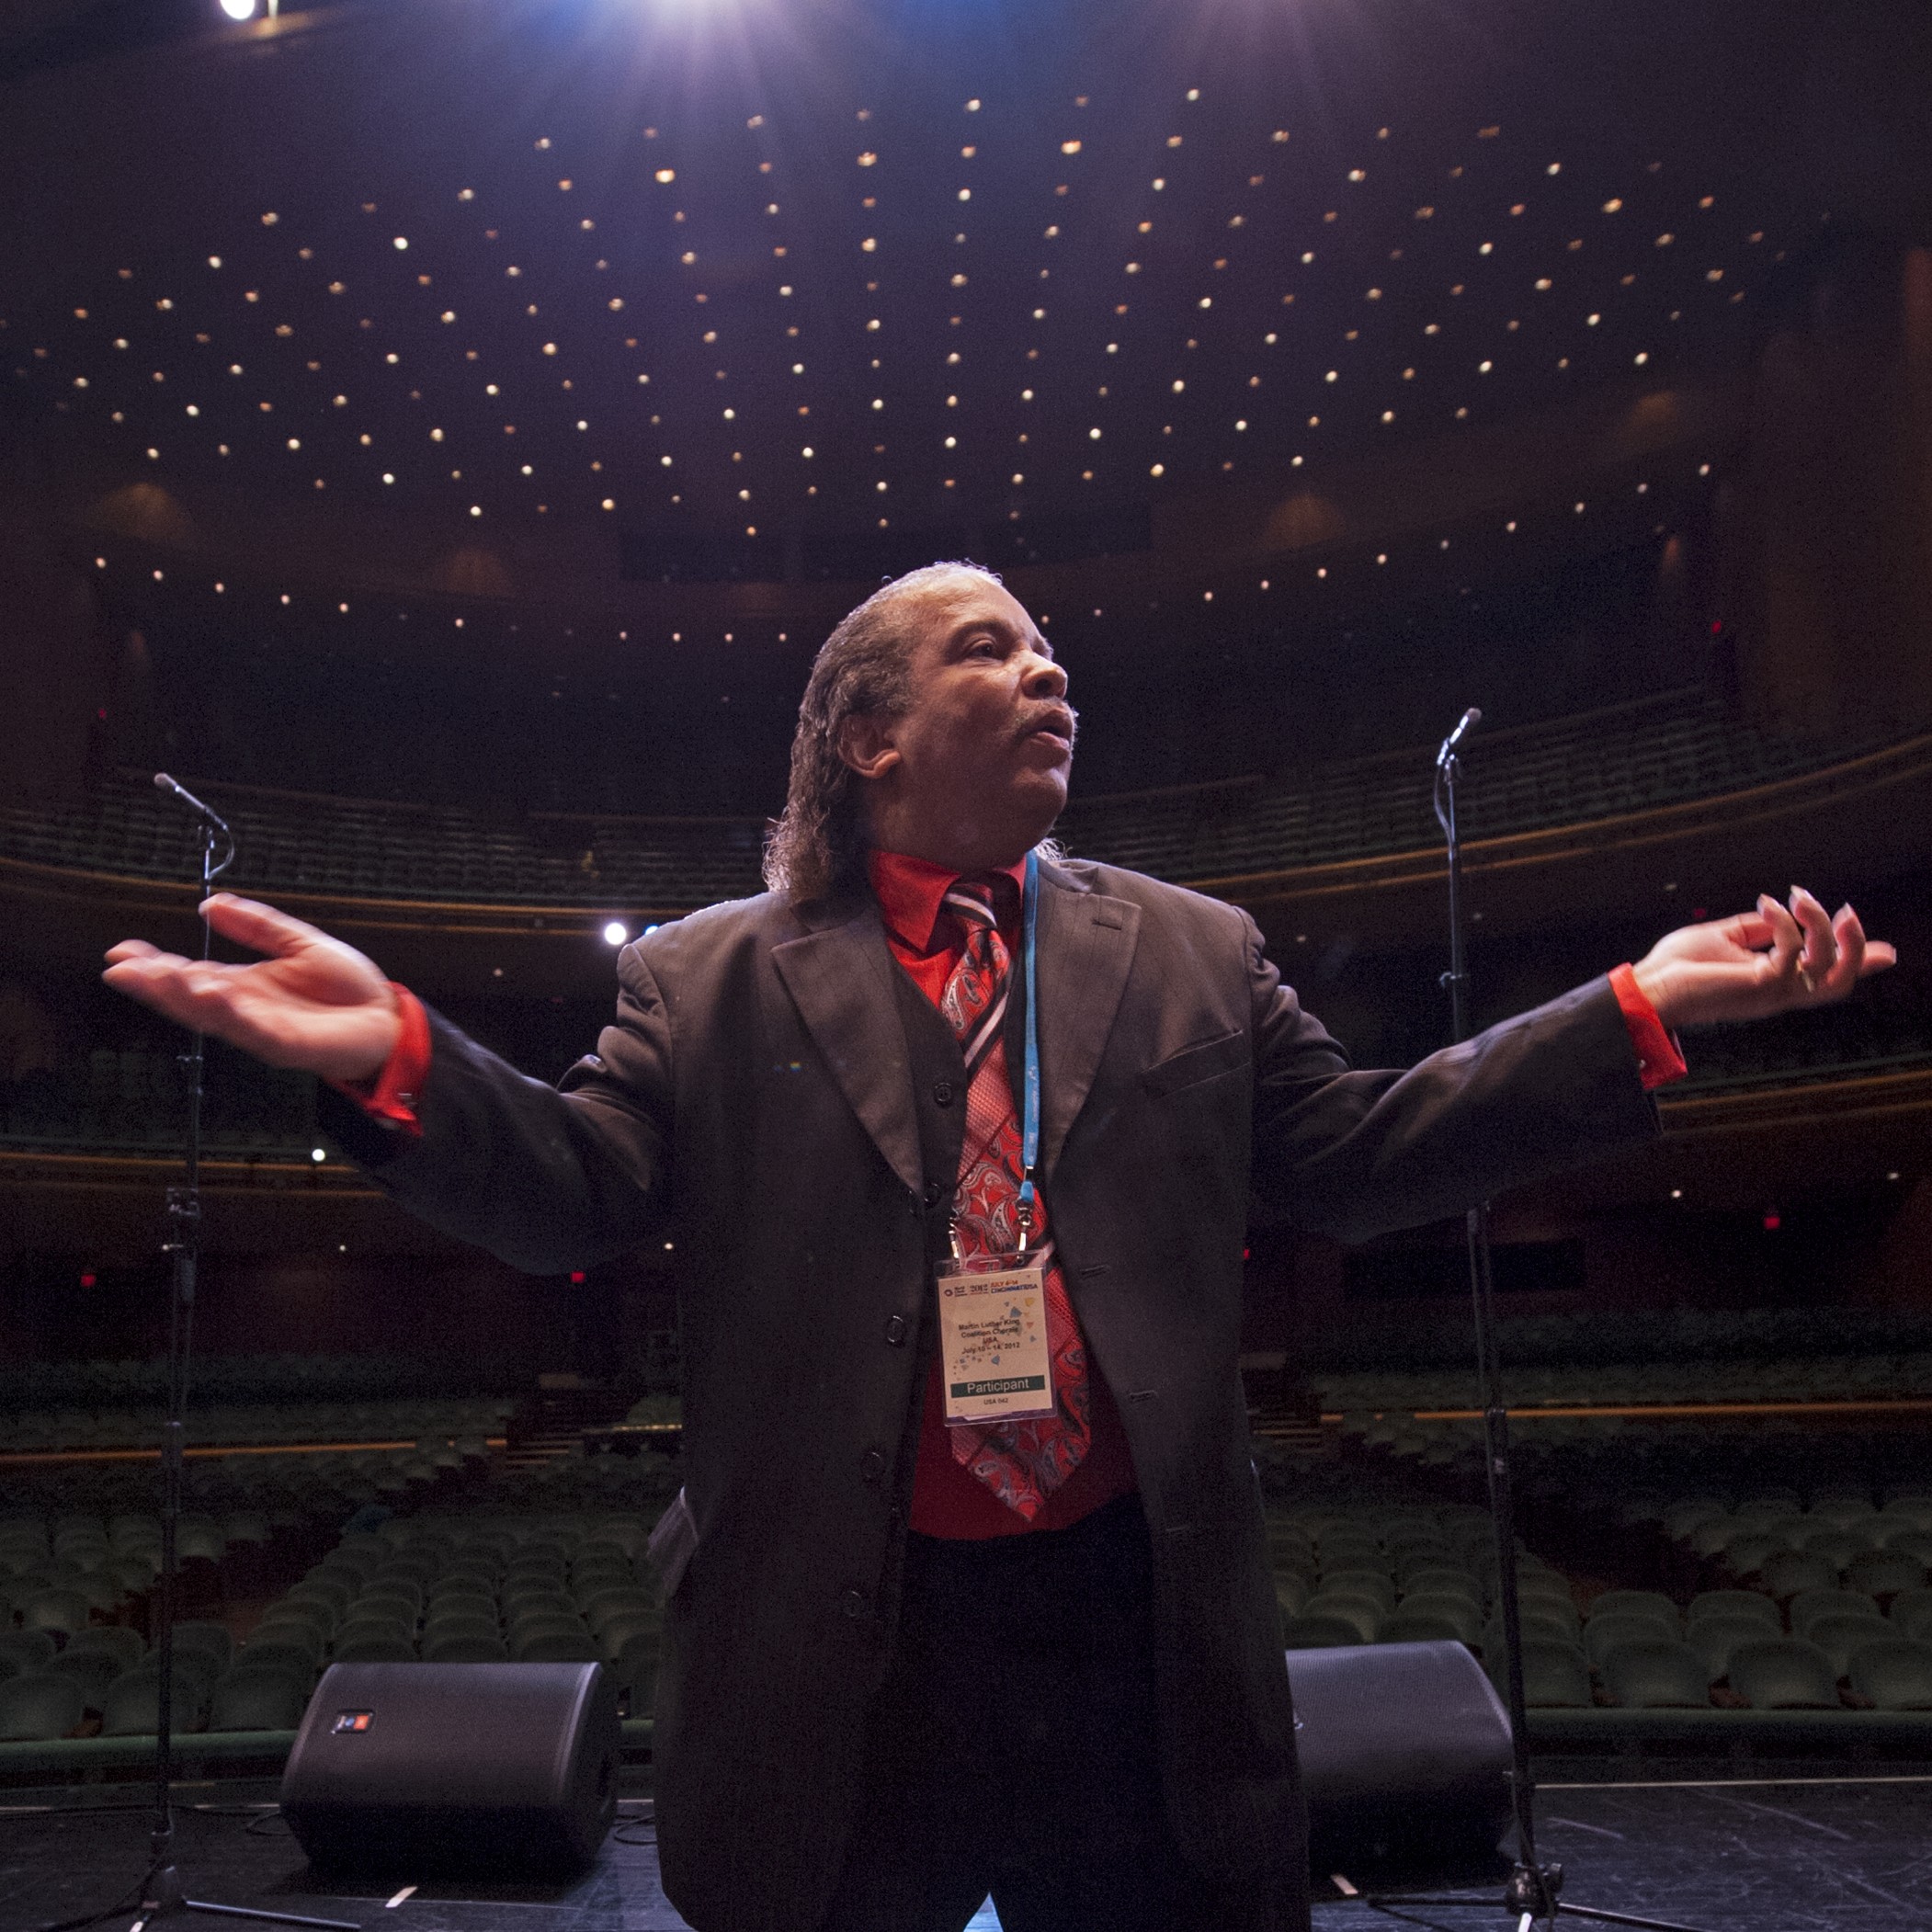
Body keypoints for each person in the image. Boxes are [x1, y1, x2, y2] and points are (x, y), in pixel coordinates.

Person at [103, 563, 1892, 1932]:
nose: (1047, 667)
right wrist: (401, 1055)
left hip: (1141, 1641)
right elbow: (574, 1189)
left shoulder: (1194, 949)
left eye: (1048, 649)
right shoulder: (708, 977)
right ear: (867, 735)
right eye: (988, 646)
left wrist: (1632, 1008)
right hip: (846, 1664)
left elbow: (1356, 1162)